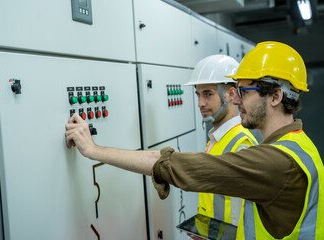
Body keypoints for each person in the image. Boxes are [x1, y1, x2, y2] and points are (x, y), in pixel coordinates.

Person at [65, 41, 324, 239]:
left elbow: (176, 165)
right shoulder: (299, 146)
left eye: (244, 92)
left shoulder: (277, 162)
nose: (235, 99)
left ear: (276, 96)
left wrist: (94, 150)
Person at [184, 54, 258, 228]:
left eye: (208, 94)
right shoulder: (218, 138)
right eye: (198, 95)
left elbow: (246, 216)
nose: (200, 103)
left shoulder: (242, 144)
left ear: (231, 94)